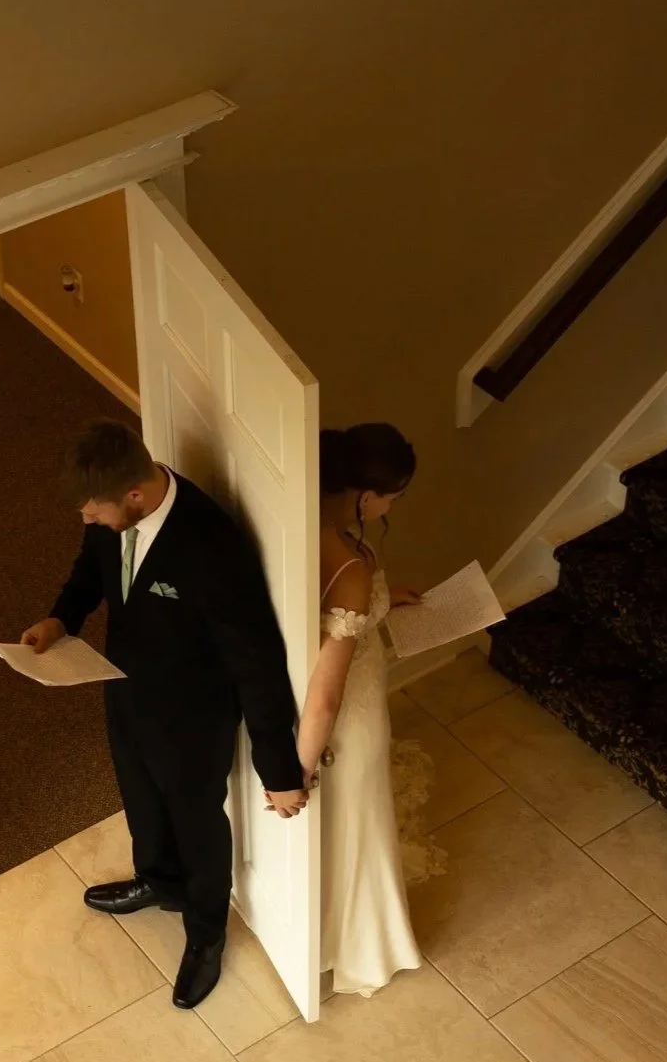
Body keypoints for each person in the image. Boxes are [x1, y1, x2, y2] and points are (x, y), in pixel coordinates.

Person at [22, 420, 308, 1010]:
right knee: (140, 798)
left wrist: (279, 769)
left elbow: (256, 660)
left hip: (193, 714)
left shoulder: (212, 547)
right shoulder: (112, 518)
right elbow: (89, 571)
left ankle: (205, 935)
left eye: (93, 511)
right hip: (124, 688)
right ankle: (158, 880)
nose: (86, 521)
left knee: (196, 821)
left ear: (133, 494)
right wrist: (61, 619)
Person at [293, 423, 424, 996]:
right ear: (366, 496)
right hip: (350, 716)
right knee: (353, 826)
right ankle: (352, 946)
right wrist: (297, 767)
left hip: (319, 692)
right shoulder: (348, 568)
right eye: (394, 496)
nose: (393, 506)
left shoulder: (298, 527)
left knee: (337, 827)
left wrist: (381, 598)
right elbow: (327, 692)